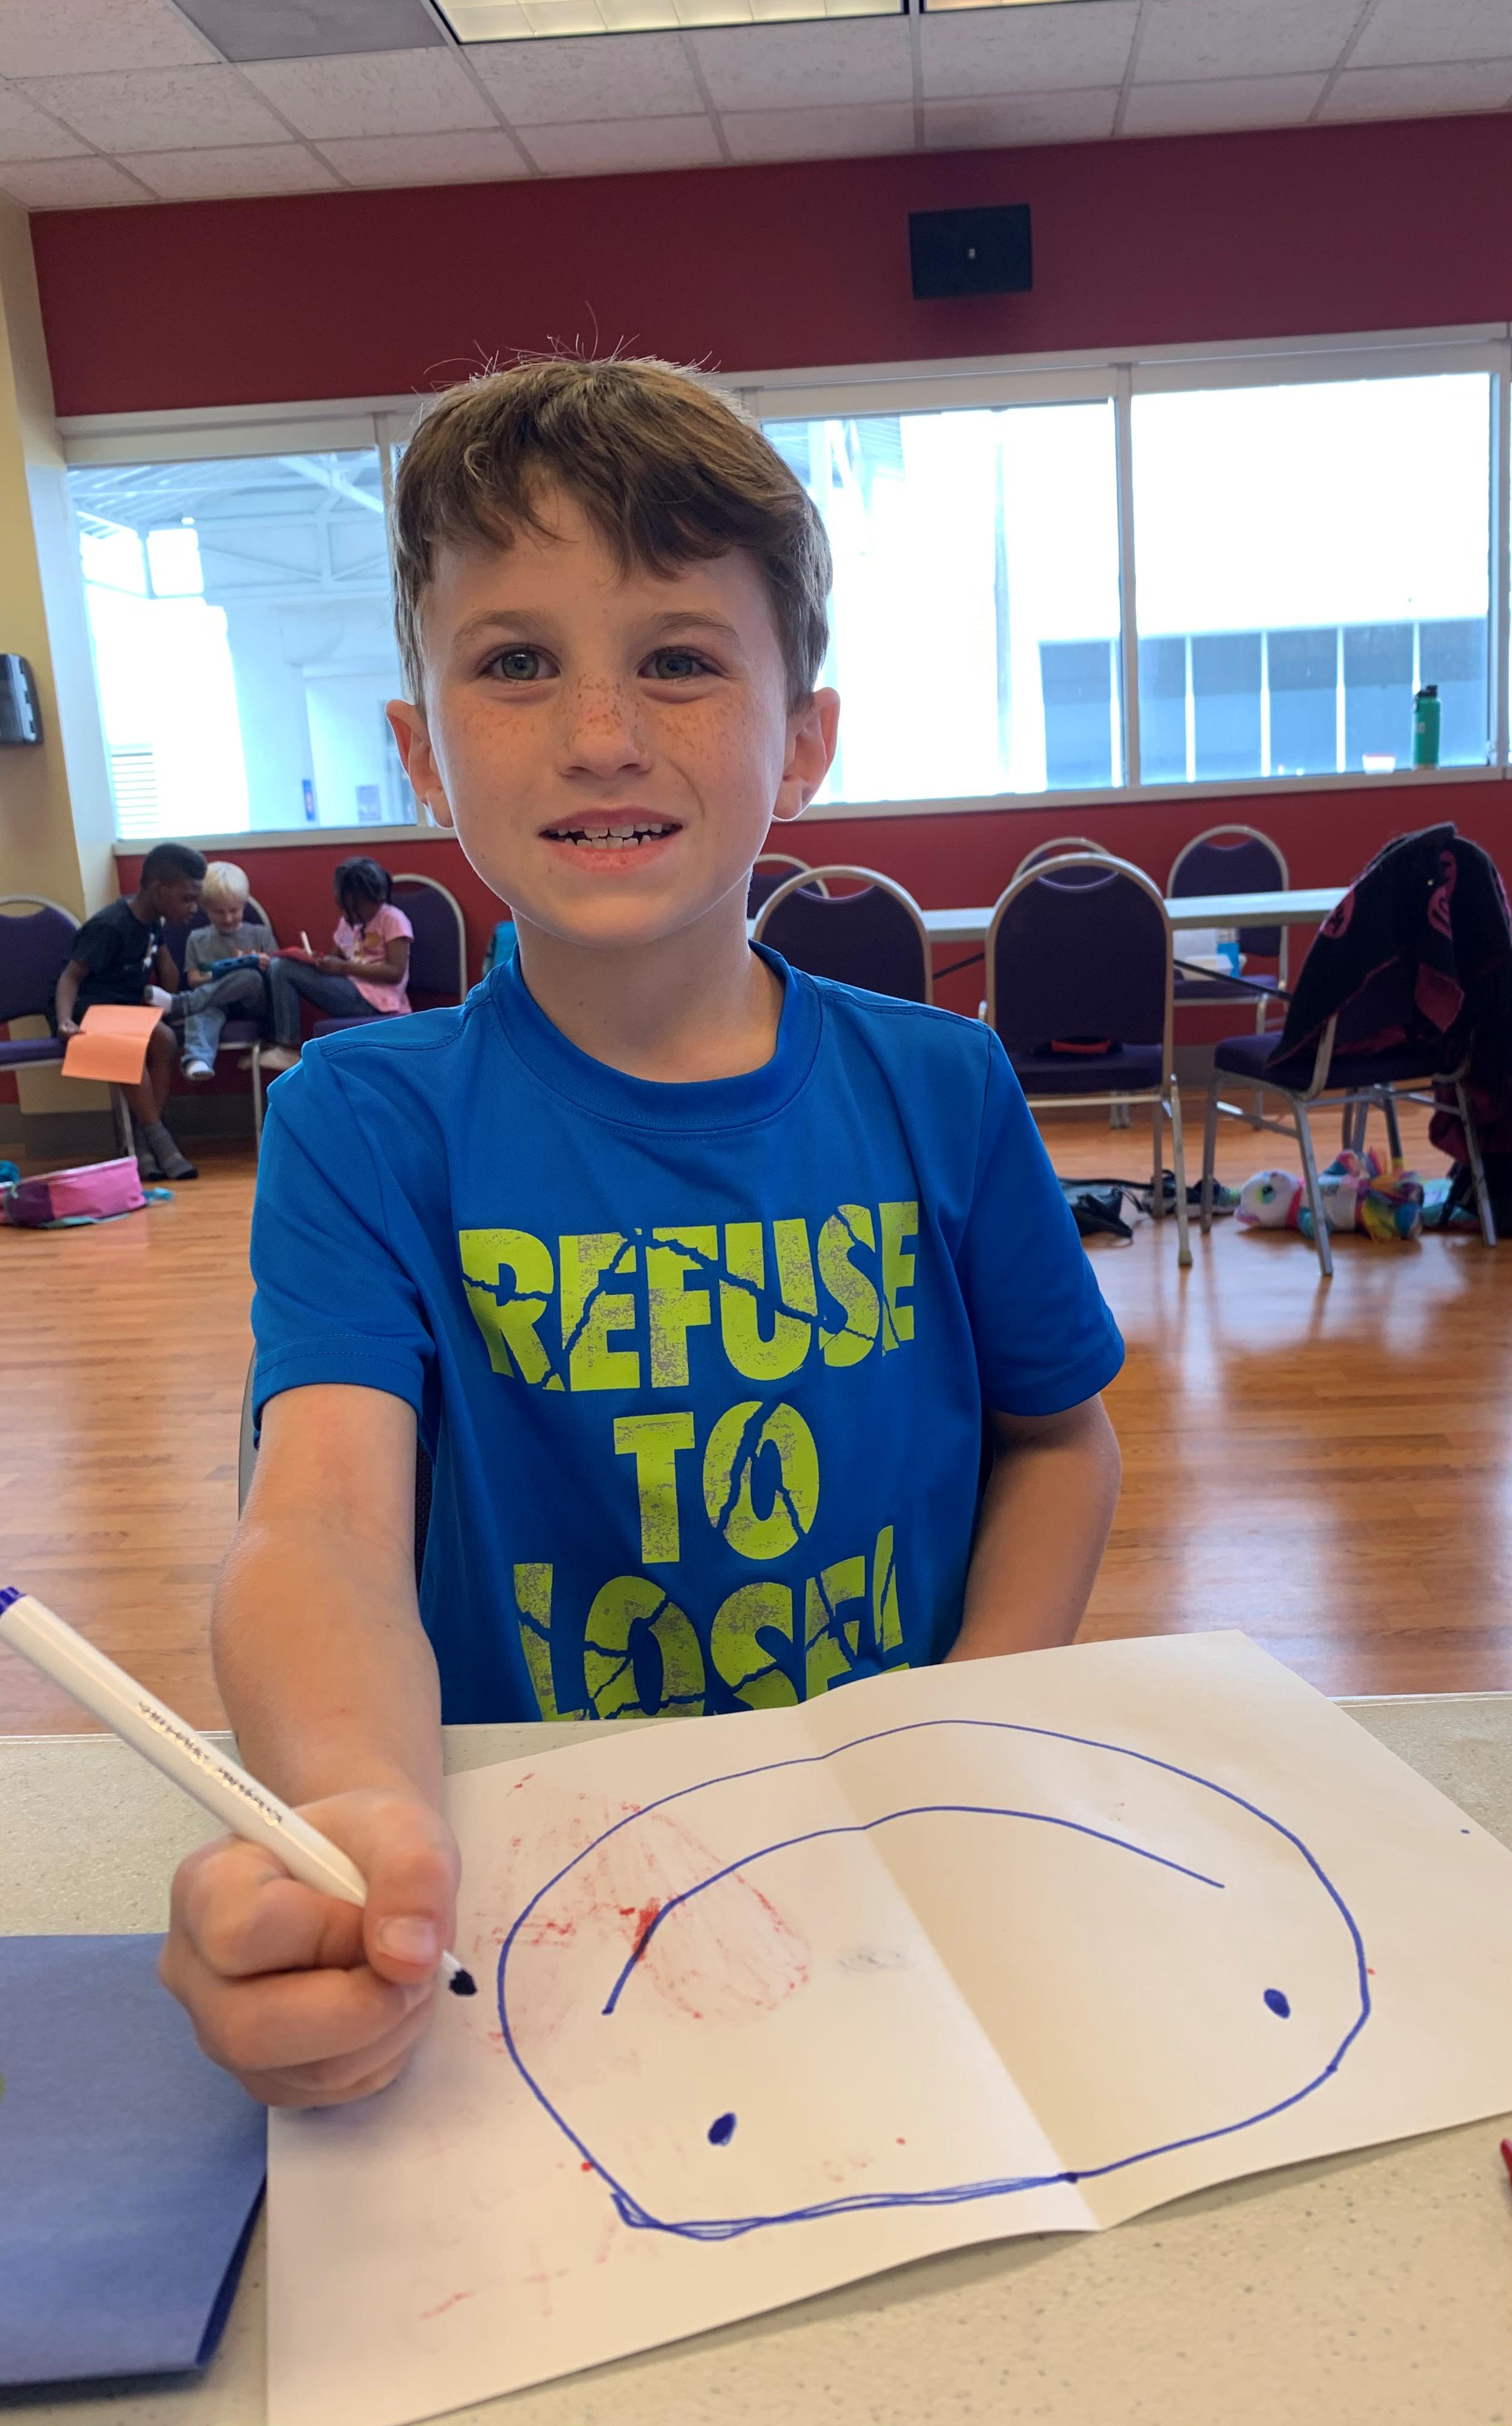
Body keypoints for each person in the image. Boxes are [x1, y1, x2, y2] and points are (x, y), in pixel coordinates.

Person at [160, 356, 1125, 2110]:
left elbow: (1058, 1439)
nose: (601, 733)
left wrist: (965, 1725)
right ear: (421, 746)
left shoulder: (947, 1087)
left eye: (678, 657)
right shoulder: (363, 1126)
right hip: (521, 1894)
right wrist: (353, 1808)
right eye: (517, 661)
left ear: (804, 738)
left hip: (881, 1874)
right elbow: (318, 1529)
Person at [54, 841, 204, 1182]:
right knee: (130, 1045)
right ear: (157, 889)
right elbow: (71, 976)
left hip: (124, 1009)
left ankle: (143, 1135)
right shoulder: (110, 925)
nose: (194, 907)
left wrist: (171, 995)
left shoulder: (153, 922)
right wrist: (65, 1019)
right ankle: (157, 1137)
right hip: (87, 1010)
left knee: (164, 1039)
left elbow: (165, 969)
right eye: (187, 898)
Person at [259, 858, 412, 1073]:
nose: (349, 914)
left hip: (378, 1002)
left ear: (377, 898)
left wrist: (342, 968)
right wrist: (316, 962)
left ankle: (287, 1046)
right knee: (281, 966)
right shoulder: (348, 922)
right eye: (345, 907)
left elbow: (395, 972)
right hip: (349, 993)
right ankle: (281, 1044)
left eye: (356, 907)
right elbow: (335, 959)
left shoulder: (393, 919)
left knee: (282, 969)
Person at [176, 860, 277, 1083]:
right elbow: (193, 979)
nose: (228, 918)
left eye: (234, 910)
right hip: (213, 1003)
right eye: (219, 912)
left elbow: (276, 975)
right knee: (202, 1010)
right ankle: (197, 1060)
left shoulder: (260, 934)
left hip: (252, 1004)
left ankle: (182, 1004)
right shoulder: (197, 939)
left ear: (243, 905)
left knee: (249, 977)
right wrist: (219, 976)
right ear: (205, 908)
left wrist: (263, 965)